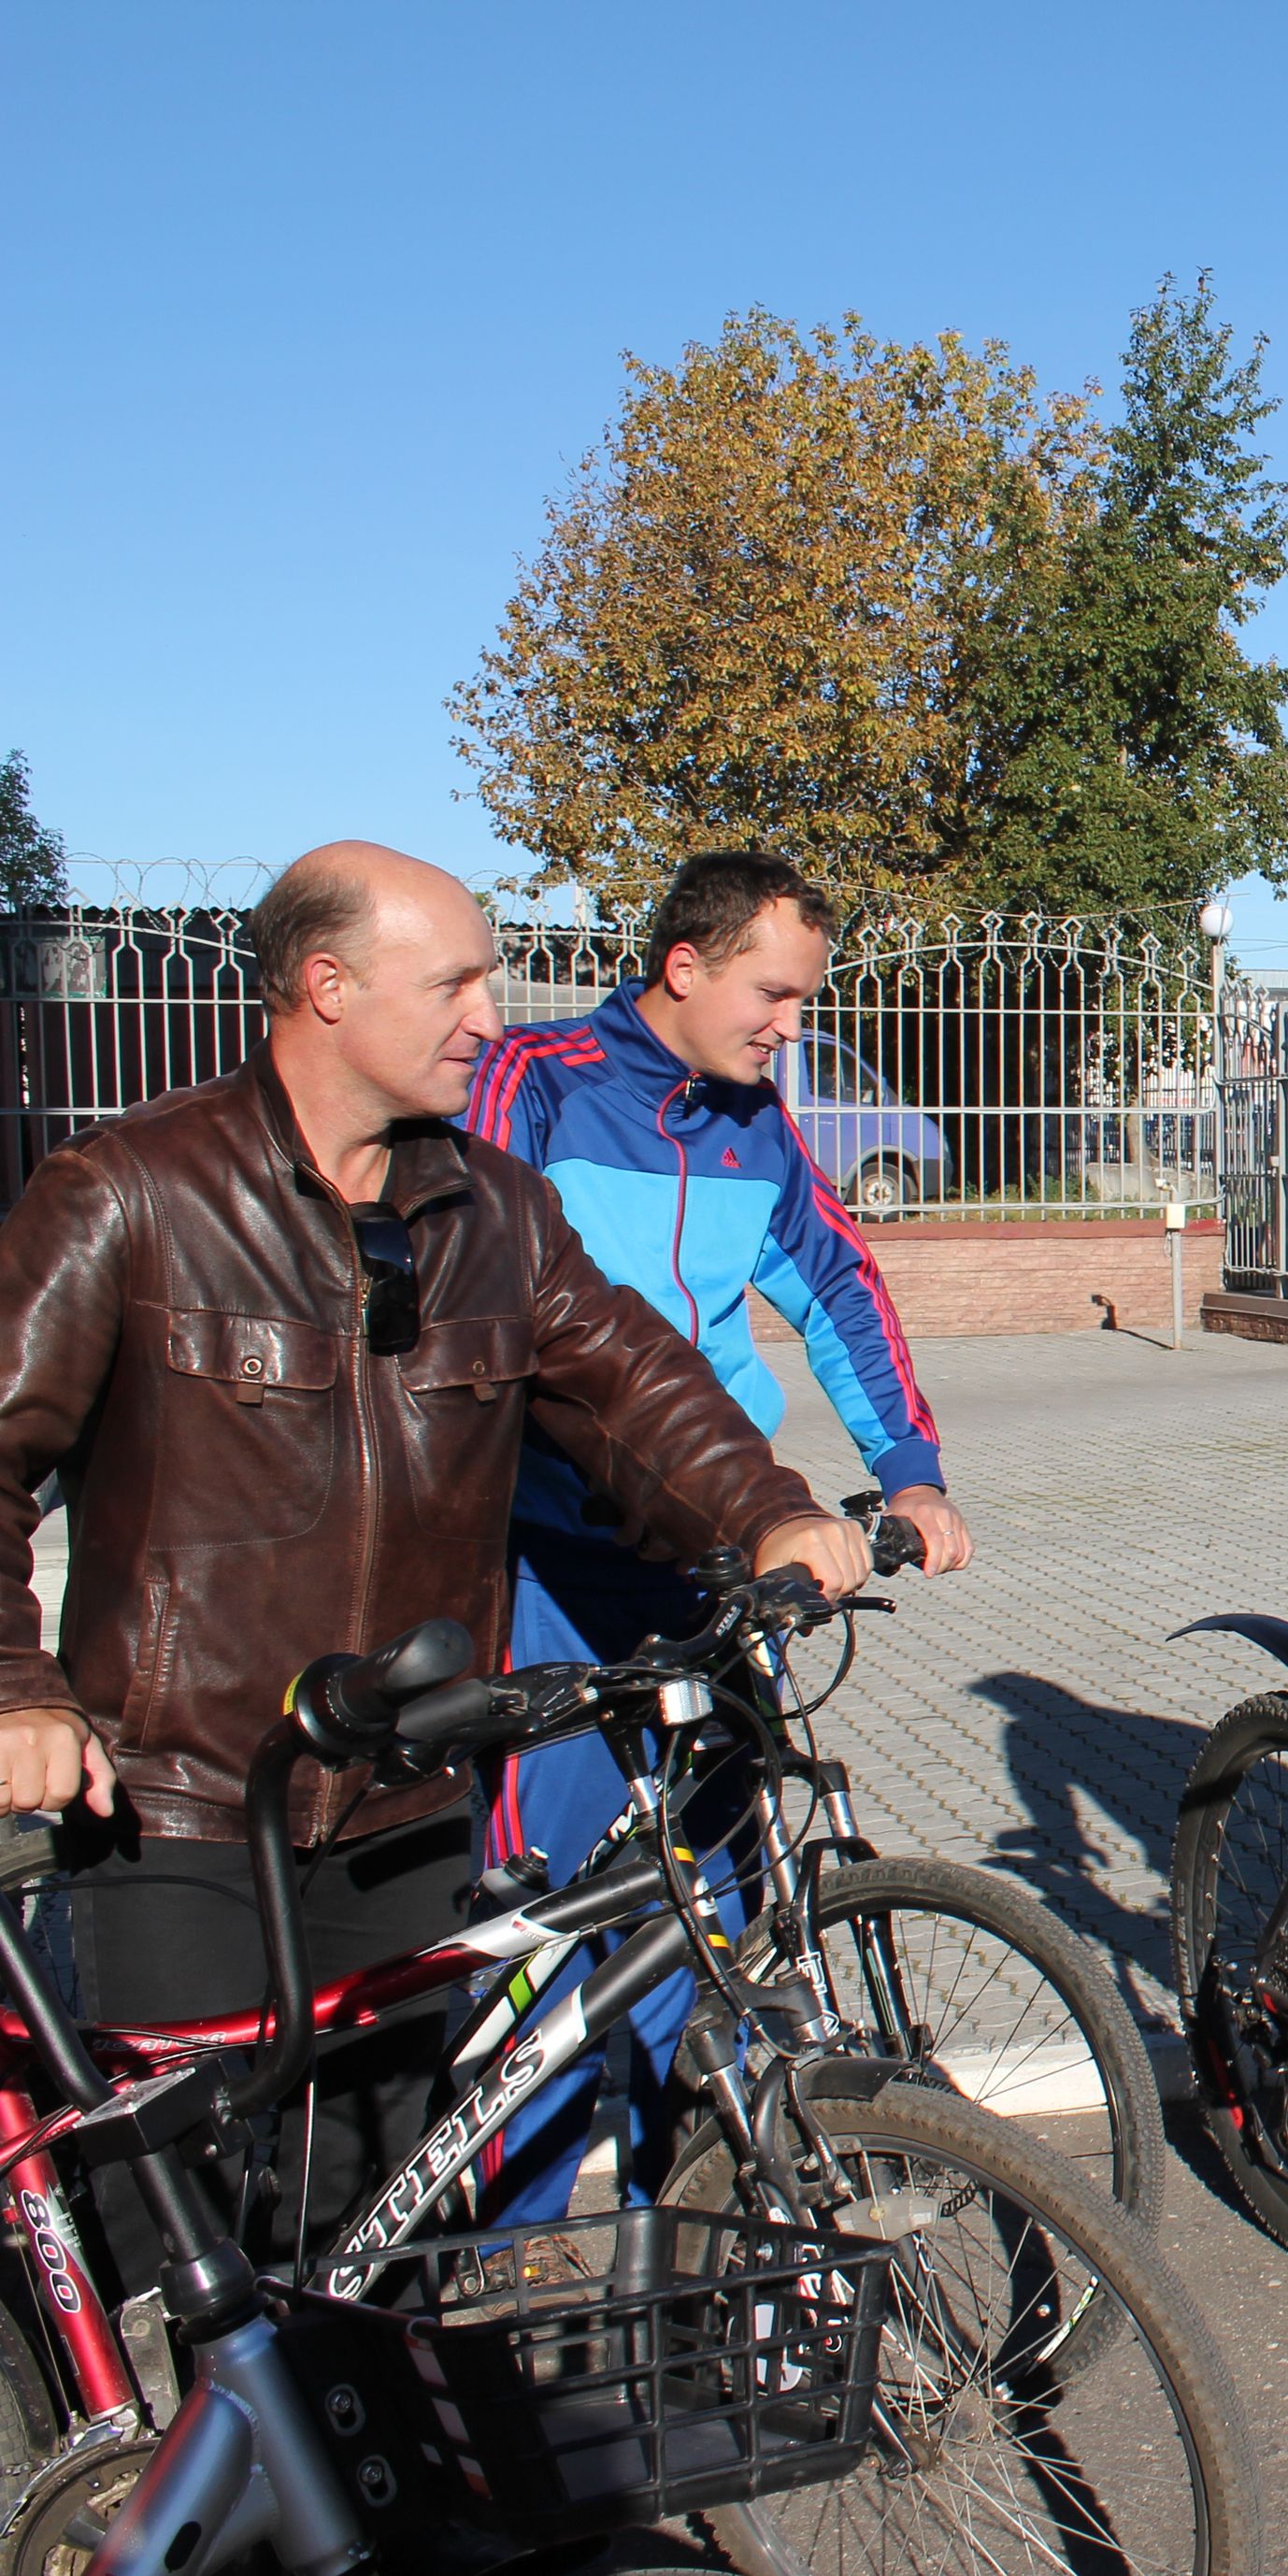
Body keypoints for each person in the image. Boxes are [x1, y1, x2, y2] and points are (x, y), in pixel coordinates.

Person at [0, 842, 860, 2286]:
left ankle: (380, 2506)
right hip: (184, 1802)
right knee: (189, 2257)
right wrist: (18, 1685)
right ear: (326, 988)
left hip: (406, 1799)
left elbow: (635, 1390)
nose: (488, 1013)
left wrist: (764, 1508)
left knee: (372, 2235)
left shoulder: (493, 1213)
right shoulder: (128, 1193)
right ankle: (152, 2509)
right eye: (453, 980)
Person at [460, 847, 969, 2227]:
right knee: (553, 1911)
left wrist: (909, 1475)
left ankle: (705, 2220)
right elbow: (477, 1298)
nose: (790, 1029)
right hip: (550, 1557)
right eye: (775, 994)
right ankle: (503, 2243)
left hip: (714, 1545)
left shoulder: (755, 1126)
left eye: (803, 1001)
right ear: (683, 967)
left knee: (717, 1900)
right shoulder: (537, 1085)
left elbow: (841, 1292)